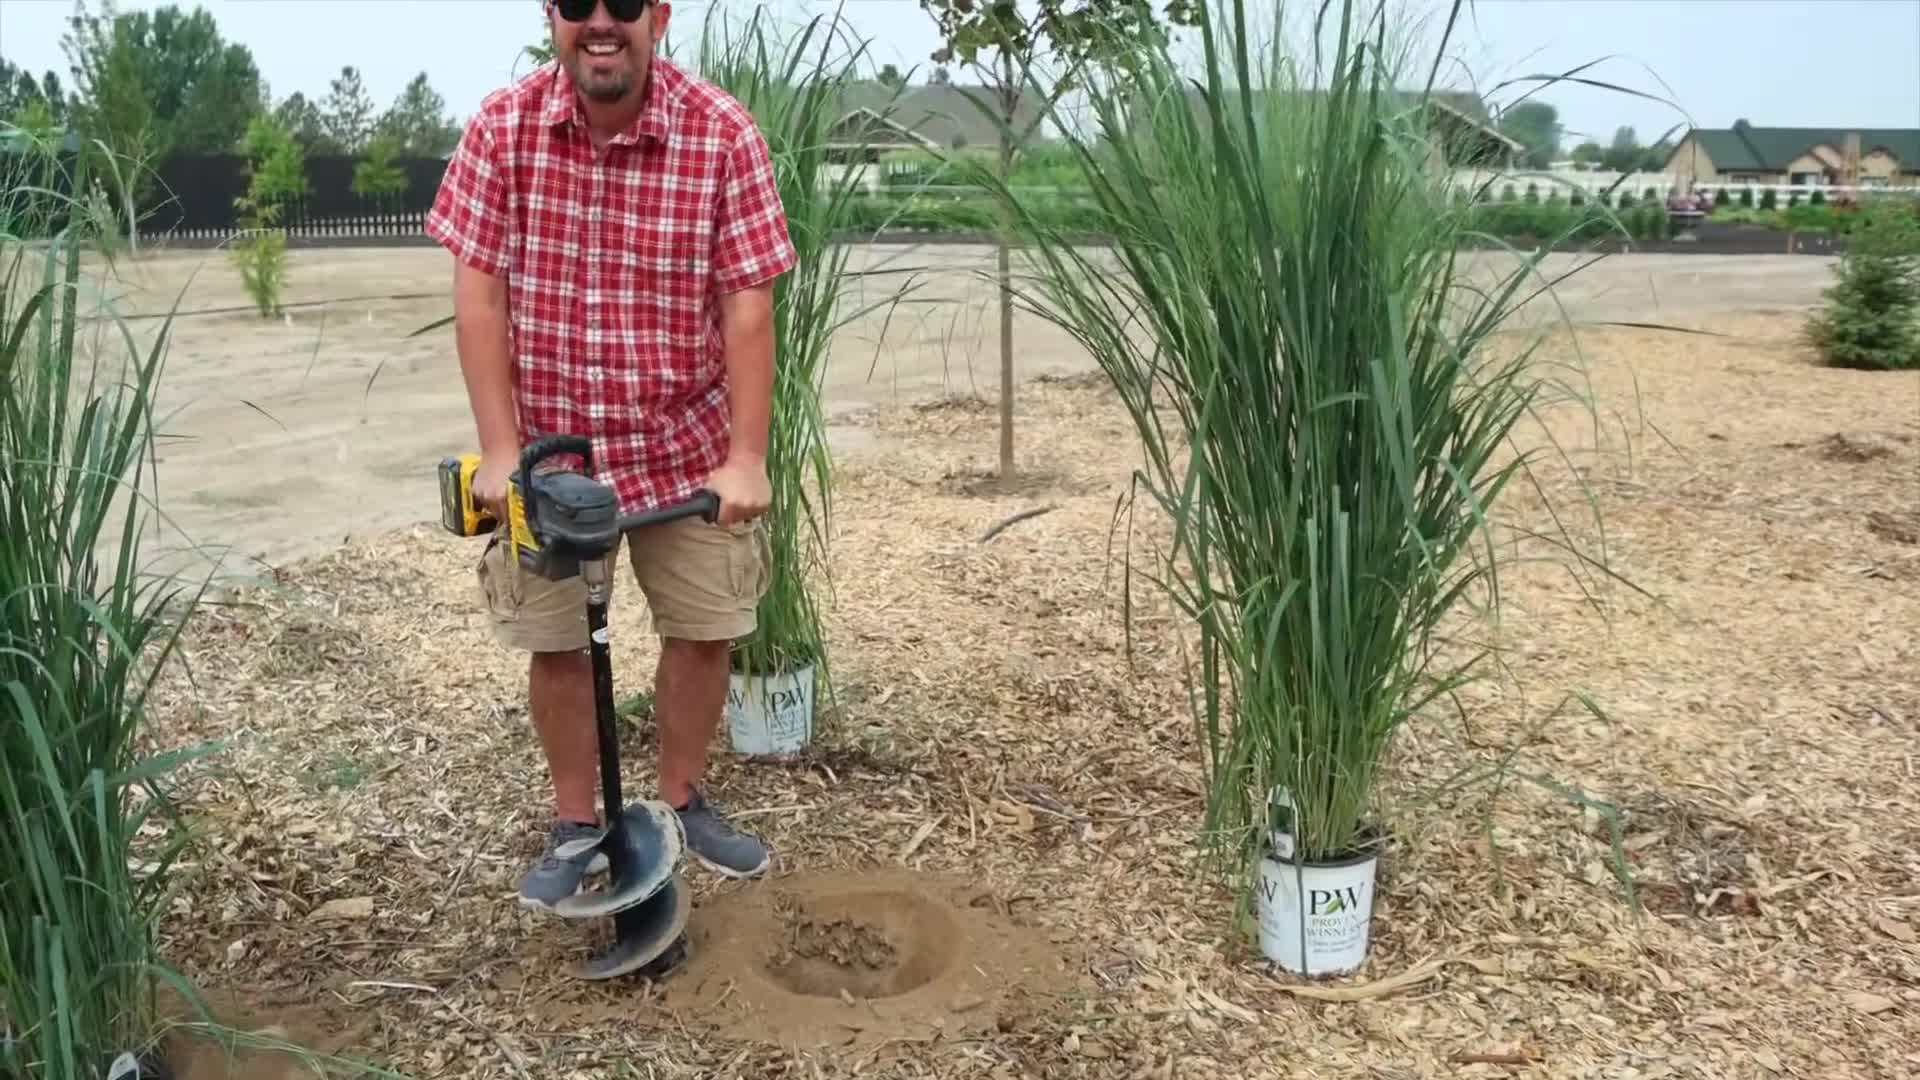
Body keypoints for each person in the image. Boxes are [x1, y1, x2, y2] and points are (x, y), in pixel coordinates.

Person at [423, 0, 796, 911]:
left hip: (683, 444)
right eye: (577, 4)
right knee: (556, 647)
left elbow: (748, 305)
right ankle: (576, 822)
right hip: (556, 460)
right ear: (549, 16)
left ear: (657, 17)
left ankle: (678, 802)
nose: (601, 23)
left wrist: (745, 458)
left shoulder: (722, 134)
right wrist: (504, 451)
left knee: (705, 629)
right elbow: (480, 300)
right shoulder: (501, 130)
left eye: (623, 4)